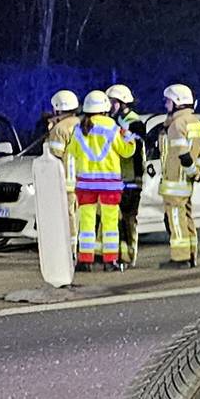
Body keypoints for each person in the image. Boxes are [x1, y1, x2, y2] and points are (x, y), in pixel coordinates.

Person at [64, 91, 136, 272]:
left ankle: (85, 260)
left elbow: (71, 152)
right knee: (110, 224)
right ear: (105, 108)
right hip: (109, 185)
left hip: (85, 185)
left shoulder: (80, 128)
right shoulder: (112, 127)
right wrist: (129, 138)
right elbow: (126, 151)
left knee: (86, 223)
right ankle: (110, 261)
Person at [156, 84, 200, 268]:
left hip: (175, 182)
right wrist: (198, 172)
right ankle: (192, 254)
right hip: (187, 183)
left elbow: (183, 154)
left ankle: (180, 258)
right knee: (187, 218)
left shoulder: (177, 125)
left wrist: (192, 171)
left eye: (168, 101)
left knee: (176, 220)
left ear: (177, 102)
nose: (166, 104)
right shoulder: (197, 124)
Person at [108, 83, 148, 267]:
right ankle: (120, 255)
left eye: (112, 102)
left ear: (122, 102)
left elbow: (135, 151)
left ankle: (128, 256)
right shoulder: (115, 121)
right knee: (118, 220)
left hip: (131, 179)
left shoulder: (135, 123)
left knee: (128, 219)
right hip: (119, 178)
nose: (109, 106)